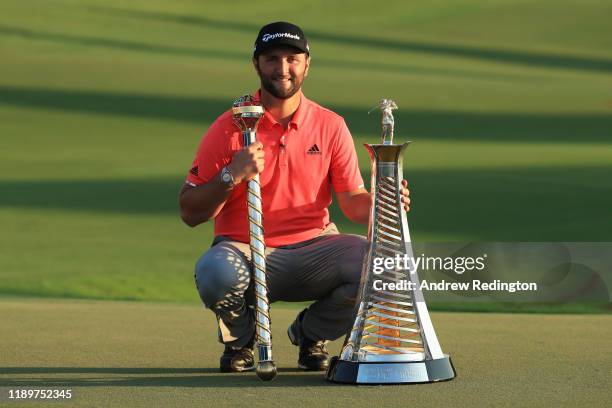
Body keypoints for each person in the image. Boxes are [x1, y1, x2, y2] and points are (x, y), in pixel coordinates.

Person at [179, 21, 410, 372]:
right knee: (214, 272)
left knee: (379, 265)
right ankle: (241, 340)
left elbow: (351, 202)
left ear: (307, 63)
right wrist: (231, 175)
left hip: (313, 249)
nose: (282, 69)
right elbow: (190, 212)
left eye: (292, 59)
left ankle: (309, 334)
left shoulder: (330, 125)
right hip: (243, 250)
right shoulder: (231, 126)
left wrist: (384, 203)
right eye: (272, 59)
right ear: (256, 64)